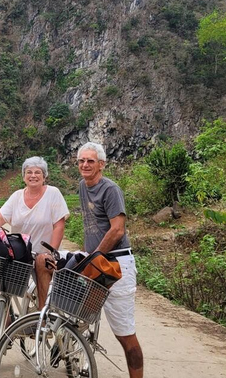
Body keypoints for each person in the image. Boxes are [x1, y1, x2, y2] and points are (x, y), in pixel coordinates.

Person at [77, 142, 143, 378]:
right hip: (96, 263)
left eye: (90, 161)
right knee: (81, 316)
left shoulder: (111, 190)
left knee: (125, 334)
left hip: (116, 265)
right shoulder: (82, 187)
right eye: (81, 161)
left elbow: (117, 231)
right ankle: (79, 363)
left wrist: (94, 257)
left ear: (101, 164)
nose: (85, 165)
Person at [0, 156, 69, 308]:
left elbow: (59, 225)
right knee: (1, 283)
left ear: (44, 176)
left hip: (42, 253)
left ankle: (42, 315)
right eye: (29, 172)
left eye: (37, 172)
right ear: (23, 176)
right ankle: (3, 320)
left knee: (42, 264)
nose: (33, 175)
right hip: (20, 252)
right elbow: (0, 217)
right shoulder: (17, 196)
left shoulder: (53, 193)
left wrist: (51, 252)